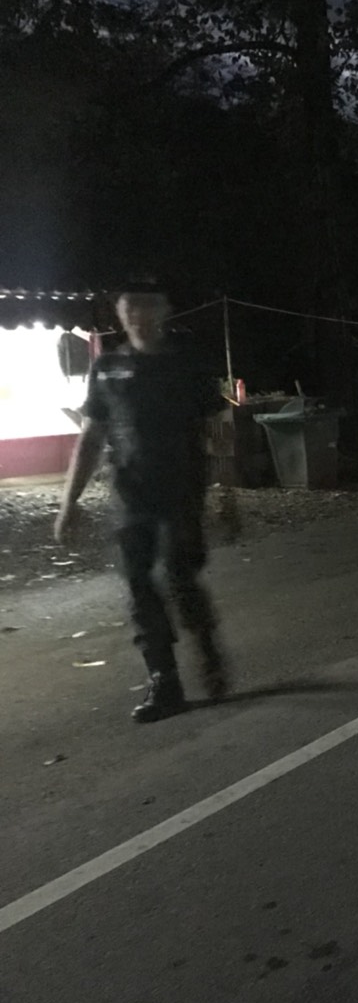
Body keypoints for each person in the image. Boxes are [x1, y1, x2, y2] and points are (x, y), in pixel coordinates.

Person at [54, 287, 229, 723]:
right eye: (129, 304)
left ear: (165, 309)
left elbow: (218, 433)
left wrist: (228, 494)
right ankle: (164, 681)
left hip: (183, 492)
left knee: (178, 576)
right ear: (119, 311)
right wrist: (69, 501)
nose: (137, 313)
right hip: (131, 496)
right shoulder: (107, 368)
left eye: (147, 304)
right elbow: (91, 437)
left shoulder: (187, 364)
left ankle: (206, 647)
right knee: (138, 585)